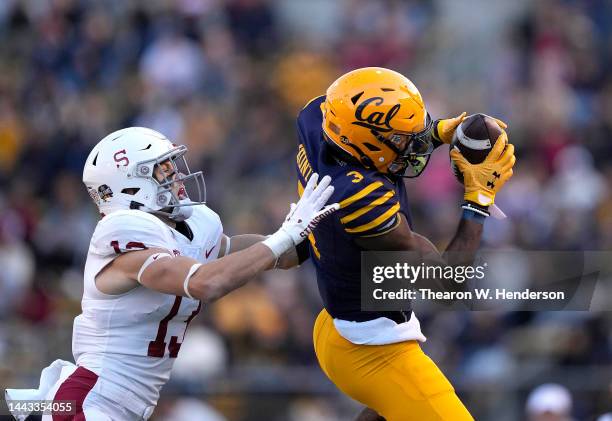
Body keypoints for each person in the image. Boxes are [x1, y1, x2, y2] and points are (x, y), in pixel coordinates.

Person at [5, 127, 337, 421]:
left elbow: (259, 255)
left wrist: (319, 234)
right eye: (162, 170)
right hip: (93, 402)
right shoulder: (125, 232)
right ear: (130, 186)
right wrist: (283, 237)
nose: (176, 176)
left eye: (172, 166)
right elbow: (205, 282)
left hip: (124, 405)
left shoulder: (190, 227)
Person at [294, 67, 516, 421]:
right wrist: (479, 196)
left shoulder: (319, 119)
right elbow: (447, 281)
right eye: (402, 138)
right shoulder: (361, 197)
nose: (413, 144)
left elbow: (365, 126)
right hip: (371, 350)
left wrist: (438, 131)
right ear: (367, 143)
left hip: (333, 327)